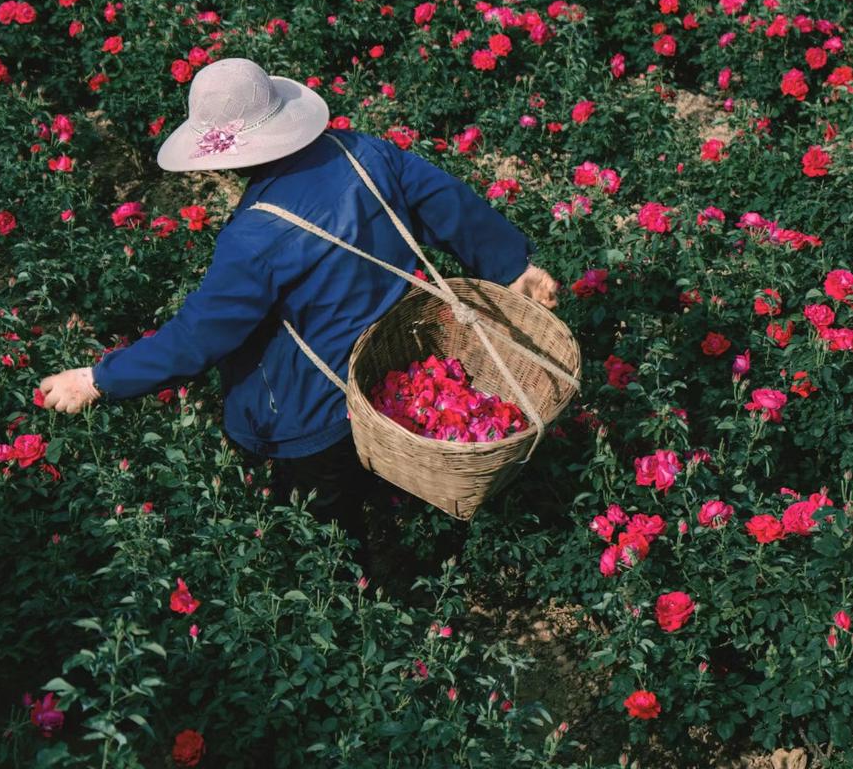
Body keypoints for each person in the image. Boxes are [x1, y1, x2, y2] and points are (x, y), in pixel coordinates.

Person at [39, 57, 557, 567]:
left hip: (312, 409)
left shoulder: (254, 237)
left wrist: (99, 379)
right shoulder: (362, 151)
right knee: (386, 475)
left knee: (327, 532)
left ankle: (362, 592)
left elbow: (197, 337)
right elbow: (446, 202)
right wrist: (511, 267)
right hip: (391, 368)